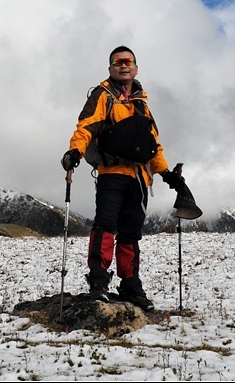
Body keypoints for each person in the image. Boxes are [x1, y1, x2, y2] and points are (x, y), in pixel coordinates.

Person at [61, 45, 184, 312]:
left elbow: (153, 145)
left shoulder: (142, 105)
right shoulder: (102, 95)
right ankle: (98, 282)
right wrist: (75, 152)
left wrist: (165, 174)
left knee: (131, 232)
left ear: (136, 68)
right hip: (112, 173)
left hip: (139, 178)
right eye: (118, 62)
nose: (124, 65)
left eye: (128, 61)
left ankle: (130, 284)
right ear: (110, 68)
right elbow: (86, 128)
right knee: (105, 226)